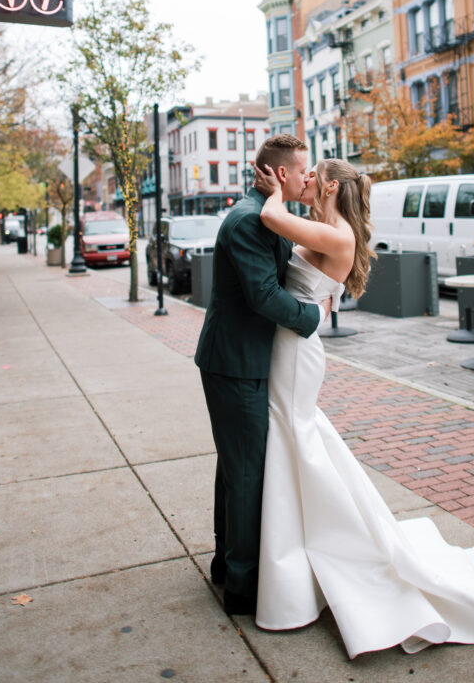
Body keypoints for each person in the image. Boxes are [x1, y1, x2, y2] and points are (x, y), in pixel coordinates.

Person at [252, 157, 474, 659]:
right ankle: (302, 549)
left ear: (328, 184)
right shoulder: (327, 226)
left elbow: (270, 218)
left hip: (296, 351)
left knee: (295, 438)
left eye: (309, 176)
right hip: (291, 345)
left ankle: (325, 547)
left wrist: (276, 188)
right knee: (297, 438)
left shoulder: (340, 234)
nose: (303, 180)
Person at [194, 135, 331, 616]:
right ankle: (243, 588)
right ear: (280, 173)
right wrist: (314, 319)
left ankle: (226, 564)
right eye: (301, 168)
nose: (306, 175)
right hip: (236, 363)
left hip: (245, 359)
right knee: (247, 472)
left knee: (236, 469)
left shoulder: (267, 213)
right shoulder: (250, 220)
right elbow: (264, 296)